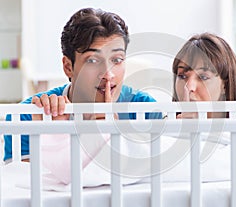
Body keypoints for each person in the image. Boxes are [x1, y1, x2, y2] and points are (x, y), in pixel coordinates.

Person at [3, 8, 161, 163]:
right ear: (68, 67)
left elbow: (159, 177)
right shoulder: (27, 117)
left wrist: (116, 138)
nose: (108, 74)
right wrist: (54, 138)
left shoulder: (146, 110)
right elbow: (23, 184)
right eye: (92, 60)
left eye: (117, 60)